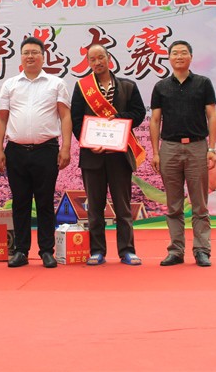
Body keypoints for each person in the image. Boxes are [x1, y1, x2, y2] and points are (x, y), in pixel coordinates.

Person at [0, 36, 72, 268]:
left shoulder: (56, 83)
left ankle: (46, 250)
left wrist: (66, 147)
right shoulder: (10, 84)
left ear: (43, 57)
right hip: (16, 150)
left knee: (45, 201)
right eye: (26, 52)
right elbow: (1, 118)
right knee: (20, 202)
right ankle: (21, 250)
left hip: (46, 150)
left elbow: (65, 116)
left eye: (35, 52)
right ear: (21, 57)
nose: (30, 56)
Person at [70, 44, 146, 266]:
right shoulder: (82, 88)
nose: (97, 62)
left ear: (109, 58)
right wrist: (89, 143)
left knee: (123, 206)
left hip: (120, 156)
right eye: (92, 59)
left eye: (101, 57)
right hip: (92, 156)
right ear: (88, 62)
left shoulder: (127, 86)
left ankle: (127, 250)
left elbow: (139, 113)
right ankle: (97, 251)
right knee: (95, 207)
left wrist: (119, 118)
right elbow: (76, 120)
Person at [149, 40, 216, 267]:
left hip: (197, 147)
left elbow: (212, 115)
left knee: (200, 203)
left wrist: (211, 148)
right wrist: (155, 152)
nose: (179, 56)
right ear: (169, 58)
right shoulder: (161, 87)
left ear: (191, 57)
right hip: (169, 148)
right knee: (173, 204)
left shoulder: (203, 83)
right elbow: (155, 120)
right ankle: (176, 250)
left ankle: (202, 250)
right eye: (175, 53)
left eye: (183, 53)